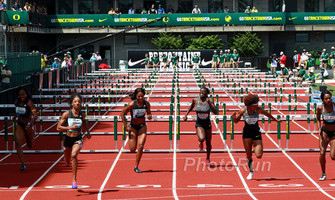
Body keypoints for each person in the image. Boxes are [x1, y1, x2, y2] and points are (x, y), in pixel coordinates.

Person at [232, 94, 280, 180]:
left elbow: (267, 114)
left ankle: (256, 145)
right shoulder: (243, 111)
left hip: (256, 132)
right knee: (249, 155)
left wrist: (276, 120)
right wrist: (233, 117)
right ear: (249, 105)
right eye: (255, 104)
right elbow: (236, 121)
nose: (257, 105)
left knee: (258, 155)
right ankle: (251, 172)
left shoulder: (258, 110)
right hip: (247, 133)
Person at [57, 94, 91, 189]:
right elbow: (58, 127)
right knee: (67, 158)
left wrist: (87, 132)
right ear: (72, 103)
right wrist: (69, 127)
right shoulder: (67, 114)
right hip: (68, 139)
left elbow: (84, 122)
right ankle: (67, 161)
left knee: (74, 155)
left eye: (79, 102)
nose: (77, 103)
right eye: (75, 102)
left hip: (78, 138)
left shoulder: (82, 114)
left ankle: (74, 180)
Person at [184, 87, 217, 166]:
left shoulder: (210, 100)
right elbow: (191, 106)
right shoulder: (195, 100)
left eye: (203, 92)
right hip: (199, 123)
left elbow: (215, 112)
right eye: (200, 92)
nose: (201, 93)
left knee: (208, 143)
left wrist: (210, 104)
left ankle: (208, 158)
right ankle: (200, 142)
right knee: (202, 138)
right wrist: (186, 114)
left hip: (207, 123)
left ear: (206, 94)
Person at [121, 88, 152, 173]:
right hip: (133, 127)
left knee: (141, 145)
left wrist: (149, 115)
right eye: (139, 96)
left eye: (142, 96)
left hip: (142, 126)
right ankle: (136, 163)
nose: (141, 98)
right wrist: (125, 126)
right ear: (136, 96)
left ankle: (136, 166)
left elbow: (149, 112)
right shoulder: (131, 104)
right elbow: (122, 114)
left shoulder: (146, 104)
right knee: (132, 149)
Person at [11, 87, 38, 171]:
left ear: (26, 95)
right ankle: (22, 164)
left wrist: (29, 124)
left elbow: (35, 116)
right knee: (18, 142)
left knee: (30, 145)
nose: (22, 96)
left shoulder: (29, 103)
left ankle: (29, 136)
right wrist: (13, 118)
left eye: (23, 94)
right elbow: (17, 112)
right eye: (20, 95)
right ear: (18, 96)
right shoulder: (16, 102)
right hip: (20, 125)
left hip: (28, 125)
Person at [316, 90, 335, 181]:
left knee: (333, 156)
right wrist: (319, 128)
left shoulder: (334, 106)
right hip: (324, 132)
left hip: (334, 134)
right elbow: (318, 119)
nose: (329, 100)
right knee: (322, 152)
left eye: (330, 98)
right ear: (323, 99)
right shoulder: (320, 108)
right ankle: (323, 173)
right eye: (326, 98)